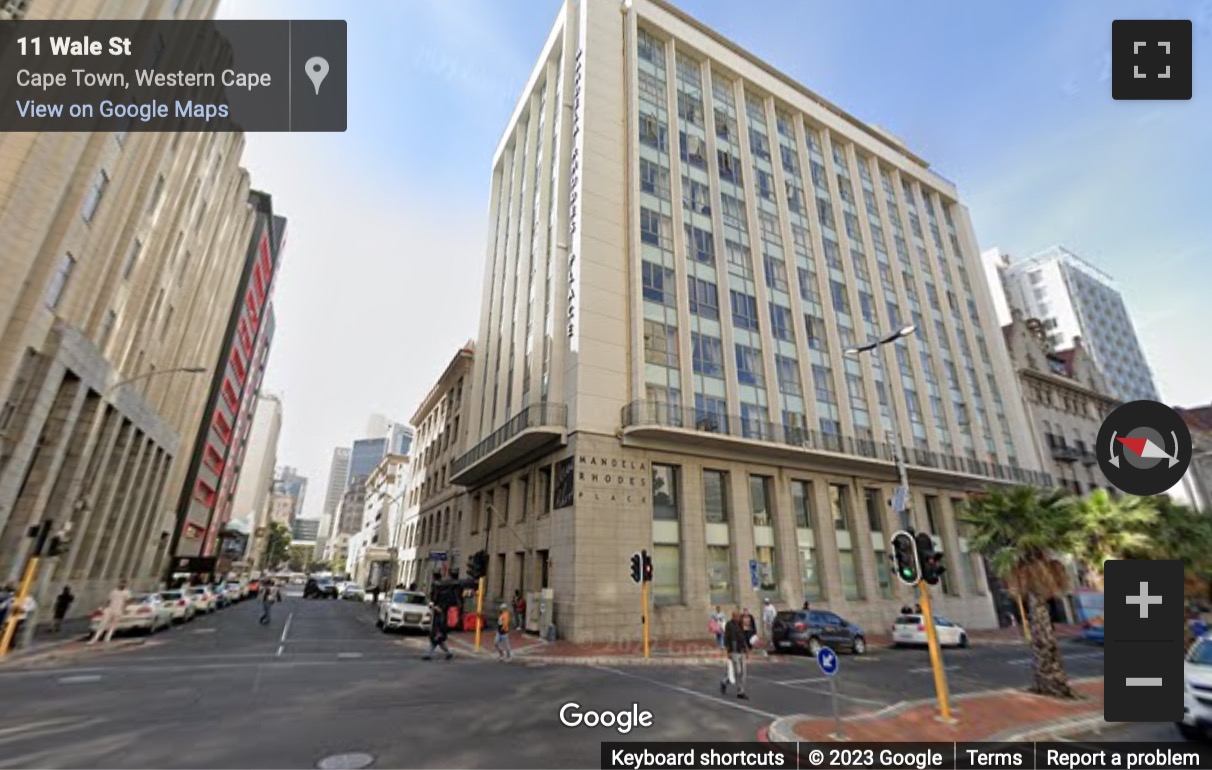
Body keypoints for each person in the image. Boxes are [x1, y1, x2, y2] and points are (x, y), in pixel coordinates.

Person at [720, 610, 751, 700]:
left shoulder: (740, 625)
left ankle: (740, 691)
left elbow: (743, 637)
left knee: (743, 672)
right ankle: (725, 682)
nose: (738, 618)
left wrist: (746, 649)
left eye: (738, 616)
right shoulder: (729, 625)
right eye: (736, 616)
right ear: (733, 616)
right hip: (734, 651)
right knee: (738, 671)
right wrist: (728, 651)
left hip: (741, 651)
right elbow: (726, 638)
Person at [89, 580, 130, 644]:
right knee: (103, 624)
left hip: (118, 610)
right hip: (110, 609)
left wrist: (124, 609)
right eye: (121, 583)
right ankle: (95, 638)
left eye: (124, 584)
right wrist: (105, 607)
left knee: (113, 625)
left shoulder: (126, 592)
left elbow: (127, 601)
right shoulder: (114, 591)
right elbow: (109, 600)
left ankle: (107, 638)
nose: (122, 585)